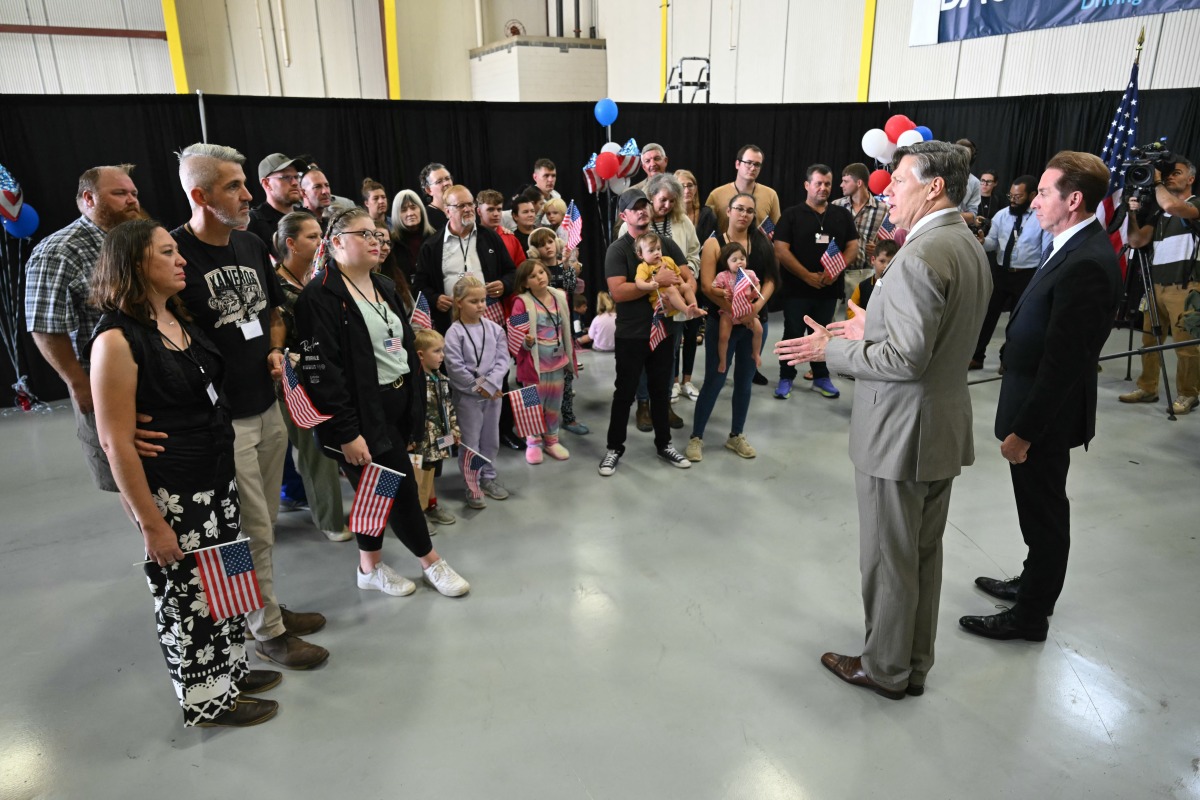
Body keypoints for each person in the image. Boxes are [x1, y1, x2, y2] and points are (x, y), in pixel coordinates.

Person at [775, 140, 991, 699]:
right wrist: (870, 325)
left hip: (900, 433)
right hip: (938, 428)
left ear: (934, 186)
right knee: (921, 555)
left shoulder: (920, 255)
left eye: (897, 181)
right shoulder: (962, 243)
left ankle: (884, 669)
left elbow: (904, 360)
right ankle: (912, 663)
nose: (886, 190)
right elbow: (934, 337)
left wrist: (830, 352)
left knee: (888, 561)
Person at [89, 218, 278, 727]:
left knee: (225, 581)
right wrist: (151, 523)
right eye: (168, 252)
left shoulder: (178, 317)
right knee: (186, 598)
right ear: (134, 265)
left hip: (214, 475)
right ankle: (208, 699)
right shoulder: (116, 340)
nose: (181, 261)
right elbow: (115, 441)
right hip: (174, 491)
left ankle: (232, 669)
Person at [171, 143, 328, 670]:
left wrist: (277, 348)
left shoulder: (251, 242)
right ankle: (268, 632)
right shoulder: (172, 255)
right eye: (233, 186)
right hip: (222, 421)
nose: (246, 195)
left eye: (244, 183)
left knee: (263, 526)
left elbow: (272, 311)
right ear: (200, 195)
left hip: (267, 405)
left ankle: (262, 607)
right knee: (250, 528)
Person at [960, 151, 1122, 642]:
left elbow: (1065, 363)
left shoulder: (1088, 261)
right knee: (1037, 510)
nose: (1033, 202)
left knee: (1045, 514)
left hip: (1043, 420)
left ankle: (1031, 616)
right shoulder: (1069, 245)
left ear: (1073, 200)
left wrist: (1024, 433)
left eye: (1045, 192)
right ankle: (1034, 584)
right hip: (1033, 406)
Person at [293, 207, 470, 598]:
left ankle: (368, 567)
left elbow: (402, 347)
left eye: (377, 235)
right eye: (365, 235)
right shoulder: (318, 297)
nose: (376, 241)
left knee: (375, 492)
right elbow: (324, 374)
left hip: (397, 403)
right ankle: (431, 562)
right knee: (399, 489)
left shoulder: (384, 286)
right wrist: (347, 432)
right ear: (337, 242)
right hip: (358, 417)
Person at [25, 163, 145, 512]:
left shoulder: (136, 239)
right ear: (88, 199)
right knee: (129, 474)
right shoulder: (59, 251)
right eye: (120, 193)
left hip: (154, 373)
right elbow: (47, 327)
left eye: (134, 192)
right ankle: (160, 549)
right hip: (104, 384)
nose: (132, 200)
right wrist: (79, 386)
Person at [599, 188, 692, 476]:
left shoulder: (663, 243)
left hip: (663, 328)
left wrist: (683, 292)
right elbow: (618, 291)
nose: (642, 211)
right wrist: (657, 281)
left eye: (645, 206)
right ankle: (614, 448)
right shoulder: (618, 249)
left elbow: (688, 276)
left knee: (661, 391)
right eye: (635, 208)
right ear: (624, 215)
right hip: (631, 333)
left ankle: (664, 444)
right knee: (624, 392)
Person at [272, 212, 351, 542]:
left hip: (323, 370)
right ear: (290, 244)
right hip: (293, 378)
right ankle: (330, 520)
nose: (320, 242)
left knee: (328, 444)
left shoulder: (316, 277)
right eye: (312, 237)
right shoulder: (276, 287)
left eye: (321, 235)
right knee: (315, 449)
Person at [685, 192, 779, 463]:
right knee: (714, 380)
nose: (745, 214)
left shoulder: (761, 242)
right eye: (739, 208)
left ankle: (736, 434)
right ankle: (696, 436)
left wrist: (755, 310)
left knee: (745, 382)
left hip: (753, 322)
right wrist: (734, 310)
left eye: (750, 211)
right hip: (723, 321)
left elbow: (771, 279)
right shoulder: (714, 243)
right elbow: (705, 286)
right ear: (728, 210)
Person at [1119, 157, 1200, 413]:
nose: (1170, 177)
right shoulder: (1159, 213)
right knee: (1149, 340)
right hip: (1155, 286)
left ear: (1191, 179)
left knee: (1186, 345)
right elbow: (1136, 241)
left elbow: (1172, 205)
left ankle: (1188, 394)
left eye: (1177, 173)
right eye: (1168, 175)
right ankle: (1148, 387)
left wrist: (1155, 182)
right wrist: (1132, 213)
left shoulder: (1193, 204)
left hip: (1186, 287)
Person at [773, 164, 859, 400]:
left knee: (824, 334)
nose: (823, 188)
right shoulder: (791, 215)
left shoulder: (842, 215)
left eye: (828, 184)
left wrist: (837, 268)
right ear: (807, 185)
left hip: (829, 290)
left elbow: (853, 245)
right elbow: (780, 249)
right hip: (796, 290)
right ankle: (786, 377)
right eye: (818, 183)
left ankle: (821, 377)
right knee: (792, 333)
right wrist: (806, 275)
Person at [970, 175, 1052, 370]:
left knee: (1018, 321)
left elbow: (1046, 250)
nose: (1013, 200)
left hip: (1026, 275)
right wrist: (983, 243)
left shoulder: (1041, 218)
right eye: (1011, 195)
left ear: (1032, 195)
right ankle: (976, 356)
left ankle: (1007, 358)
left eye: (1019, 197)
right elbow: (993, 243)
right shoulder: (1001, 216)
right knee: (987, 316)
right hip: (1001, 272)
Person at [443, 276, 511, 507]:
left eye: (483, 300)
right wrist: (479, 388)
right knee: (470, 443)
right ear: (459, 302)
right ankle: (472, 484)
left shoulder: (494, 329)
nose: (481, 305)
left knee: (490, 439)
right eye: (474, 301)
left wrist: (490, 386)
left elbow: (503, 361)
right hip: (468, 399)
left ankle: (488, 477)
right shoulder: (454, 333)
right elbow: (455, 367)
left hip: (492, 396)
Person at [412, 184, 517, 333]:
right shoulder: (431, 245)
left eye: (470, 204)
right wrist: (435, 299)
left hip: (489, 313)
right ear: (448, 211)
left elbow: (512, 272)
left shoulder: (490, 237)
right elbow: (419, 286)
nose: (468, 209)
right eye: (461, 206)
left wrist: (504, 284)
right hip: (450, 318)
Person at [509, 260, 575, 463]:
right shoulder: (521, 302)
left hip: (557, 363)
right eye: (533, 276)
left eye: (541, 272)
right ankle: (533, 442)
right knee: (532, 405)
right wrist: (525, 342)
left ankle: (552, 440)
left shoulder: (559, 296)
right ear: (525, 283)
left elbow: (565, 328)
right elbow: (515, 334)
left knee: (554, 404)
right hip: (533, 367)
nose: (540, 277)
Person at [527, 227, 589, 436]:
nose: (548, 247)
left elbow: (572, 287)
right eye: (542, 244)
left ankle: (568, 417)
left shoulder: (564, 268)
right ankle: (536, 424)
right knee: (539, 381)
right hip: (540, 336)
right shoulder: (535, 272)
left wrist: (567, 263)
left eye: (550, 242)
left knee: (566, 376)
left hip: (563, 333)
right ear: (535, 250)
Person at [412, 328, 459, 532]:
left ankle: (431, 506)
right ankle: (418, 513)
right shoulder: (414, 382)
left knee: (430, 472)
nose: (442, 356)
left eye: (443, 351)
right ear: (421, 355)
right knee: (418, 477)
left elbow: (449, 408)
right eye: (437, 351)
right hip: (420, 441)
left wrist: (455, 430)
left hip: (438, 439)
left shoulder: (441, 379)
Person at [832, 163, 888, 299]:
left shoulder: (883, 209)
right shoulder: (835, 206)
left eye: (845, 181)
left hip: (865, 273)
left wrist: (878, 249)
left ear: (859, 183)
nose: (841, 185)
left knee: (857, 317)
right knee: (830, 319)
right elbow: (825, 237)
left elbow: (890, 243)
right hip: (836, 271)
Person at [710, 242, 763, 373]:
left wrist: (755, 292)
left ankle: (755, 353)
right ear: (726, 262)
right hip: (729, 311)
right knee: (723, 336)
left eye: (742, 259)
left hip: (746, 309)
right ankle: (723, 361)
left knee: (759, 330)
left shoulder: (749, 274)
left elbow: (757, 284)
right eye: (734, 260)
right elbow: (713, 289)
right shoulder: (723, 275)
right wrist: (722, 292)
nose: (739, 262)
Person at [706, 144, 782, 233]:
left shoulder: (770, 195)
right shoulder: (716, 195)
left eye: (757, 164)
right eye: (748, 163)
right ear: (737, 164)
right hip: (725, 246)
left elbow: (778, 230)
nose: (753, 168)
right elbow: (707, 231)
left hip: (759, 246)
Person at [634, 232, 704, 319]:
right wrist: (650, 284)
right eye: (651, 250)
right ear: (640, 254)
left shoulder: (668, 260)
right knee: (671, 290)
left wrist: (682, 285)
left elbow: (677, 275)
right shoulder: (644, 267)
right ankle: (686, 311)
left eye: (658, 249)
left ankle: (695, 309)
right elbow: (639, 282)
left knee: (686, 286)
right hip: (660, 300)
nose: (656, 253)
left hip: (676, 293)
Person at [247, 153, 306, 255]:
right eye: (286, 177)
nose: (295, 182)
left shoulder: (307, 216)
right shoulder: (254, 222)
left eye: (296, 177)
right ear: (266, 183)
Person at [389, 188, 435, 287]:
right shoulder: (391, 243)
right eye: (404, 210)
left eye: (413, 207)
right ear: (397, 214)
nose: (410, 213)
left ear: (421, 210)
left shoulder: (434, 238)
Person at [847, 240, 898, 317]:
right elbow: (851, 310)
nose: (886, 266)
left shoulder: (899, 287)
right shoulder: (862, 287)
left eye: (891, 262)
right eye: (882, 261)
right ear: (873, 260)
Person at [478, 189, 526, 268]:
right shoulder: (472, 238)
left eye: (499, 209)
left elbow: (521, 271)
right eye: (490, 209)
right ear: (479, 212)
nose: (496, 214)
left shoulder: (511, 238)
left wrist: (506, 281)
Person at [676, 168, 718, 245]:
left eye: (690, 185)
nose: (687, 190)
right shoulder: (669, 216)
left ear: (695, 189)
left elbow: (716, 242)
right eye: (681, 186)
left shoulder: (707, 215)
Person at [418, 162, 453, 229]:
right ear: (429, 190)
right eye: (439, 181)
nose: (446, 183)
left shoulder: (461, 208)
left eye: (447, 178)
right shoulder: (425, 217)